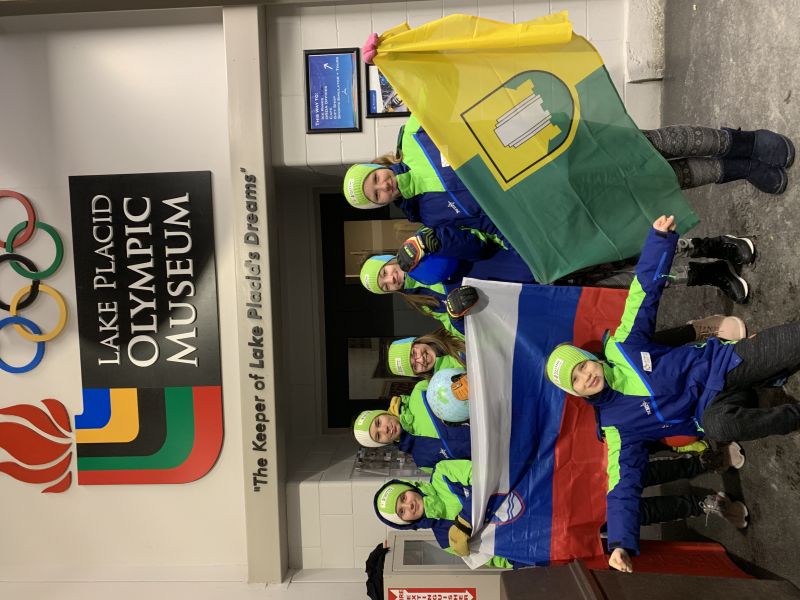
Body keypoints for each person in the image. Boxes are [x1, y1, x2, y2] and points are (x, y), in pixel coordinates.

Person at [544, 214, 800, 573]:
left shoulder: (623, 347)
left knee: (790, 342)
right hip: (712, 410)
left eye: (582, 366)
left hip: (722, 364)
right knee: (721, 427)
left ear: (591, 359)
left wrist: (659, 241)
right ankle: (792, 415)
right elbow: (623, 486)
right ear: (575, 392)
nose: (585, 376)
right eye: (576, 380)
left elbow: (643, 293)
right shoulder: (616, 427)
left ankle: (767, 373)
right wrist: (619, 542)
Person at [372, 455, 745, 569]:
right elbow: (491, 556)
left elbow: (483, 473)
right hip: (550, 524)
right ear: (405, 522)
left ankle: (701, 462)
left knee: (626, 479)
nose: (407, 505)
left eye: (402, 498)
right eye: (401, 512)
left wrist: (468, 517)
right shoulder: (443, 538)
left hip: (549, 489)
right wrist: (524, 559)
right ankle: (699, 504)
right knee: (629, 517)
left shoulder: (441, 474)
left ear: (406, 488)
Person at [353, 379, 470, 470]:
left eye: (378, 422)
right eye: (378, 436)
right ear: (383, 443)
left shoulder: (419, 392)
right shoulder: (423, 461)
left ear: (382, 413)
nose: (385, 429)